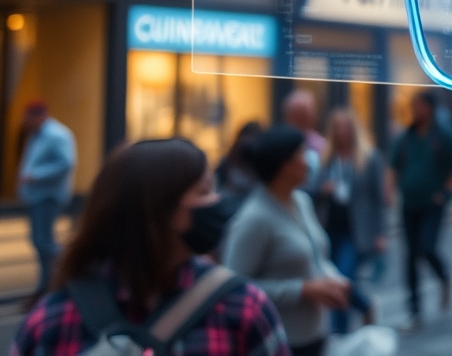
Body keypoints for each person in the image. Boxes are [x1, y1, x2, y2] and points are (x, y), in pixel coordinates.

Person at [12, 138, 288, 356]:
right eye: (204, 192)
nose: (217, 201)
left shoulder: (52, 317)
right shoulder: (242, 308)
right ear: (159, 212)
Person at [225, 125, 350, 356]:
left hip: (316, 333)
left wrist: (333, 279)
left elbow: (316, 256)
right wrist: (302, 290)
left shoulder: (301, 201)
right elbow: (234, 288)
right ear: (284, 165)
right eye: (302, 154)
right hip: (277, 342)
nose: (310, 161)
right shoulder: (254, 218)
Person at [390, 90, 452, 328]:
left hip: (432, 204)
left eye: (418, 106)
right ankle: (414, 310)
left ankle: (443, 276)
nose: (414, 110)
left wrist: (444, 194)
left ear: (430, 109)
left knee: (427, 247)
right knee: (410, 256)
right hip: (409, 203)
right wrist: (389, 191)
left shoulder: (444, 136)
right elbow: (393, 167)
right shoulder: (405, 137)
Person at [317, 109, 385, 333]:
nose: (342, 132)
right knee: (334, 279)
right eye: (337, 127)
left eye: (346, 127)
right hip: (330, 228)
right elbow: (313, 189)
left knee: (342, 278)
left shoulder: (369, 157)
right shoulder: (327, 158)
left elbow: (379, 198)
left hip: (356, 230)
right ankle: (364, 305)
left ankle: (340, 332)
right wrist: (323, 190)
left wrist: (380, 233)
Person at [17, 102, 74, 300]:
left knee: (44, 241)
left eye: (28, 118)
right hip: (36, 195)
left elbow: (66, 163)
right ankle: (46, 285)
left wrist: (36, 175)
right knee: (39, 241)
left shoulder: (56, 135)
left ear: (39, 116)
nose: (25, 122)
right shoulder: (37, 134)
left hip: (47, 195)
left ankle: (68, 271)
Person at [216, 121, 264, 216]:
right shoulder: (228, 161)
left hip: (256, 210)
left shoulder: (264, 163)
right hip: (229, 210)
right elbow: (219, 187)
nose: (248, 143)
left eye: (253, 137)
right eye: (246, 137)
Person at [284, 90, 325, 191]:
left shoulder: (322, 145)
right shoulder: (281, 145)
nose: (304, 118)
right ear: (288, 116)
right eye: (299, 114)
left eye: (307, 113)